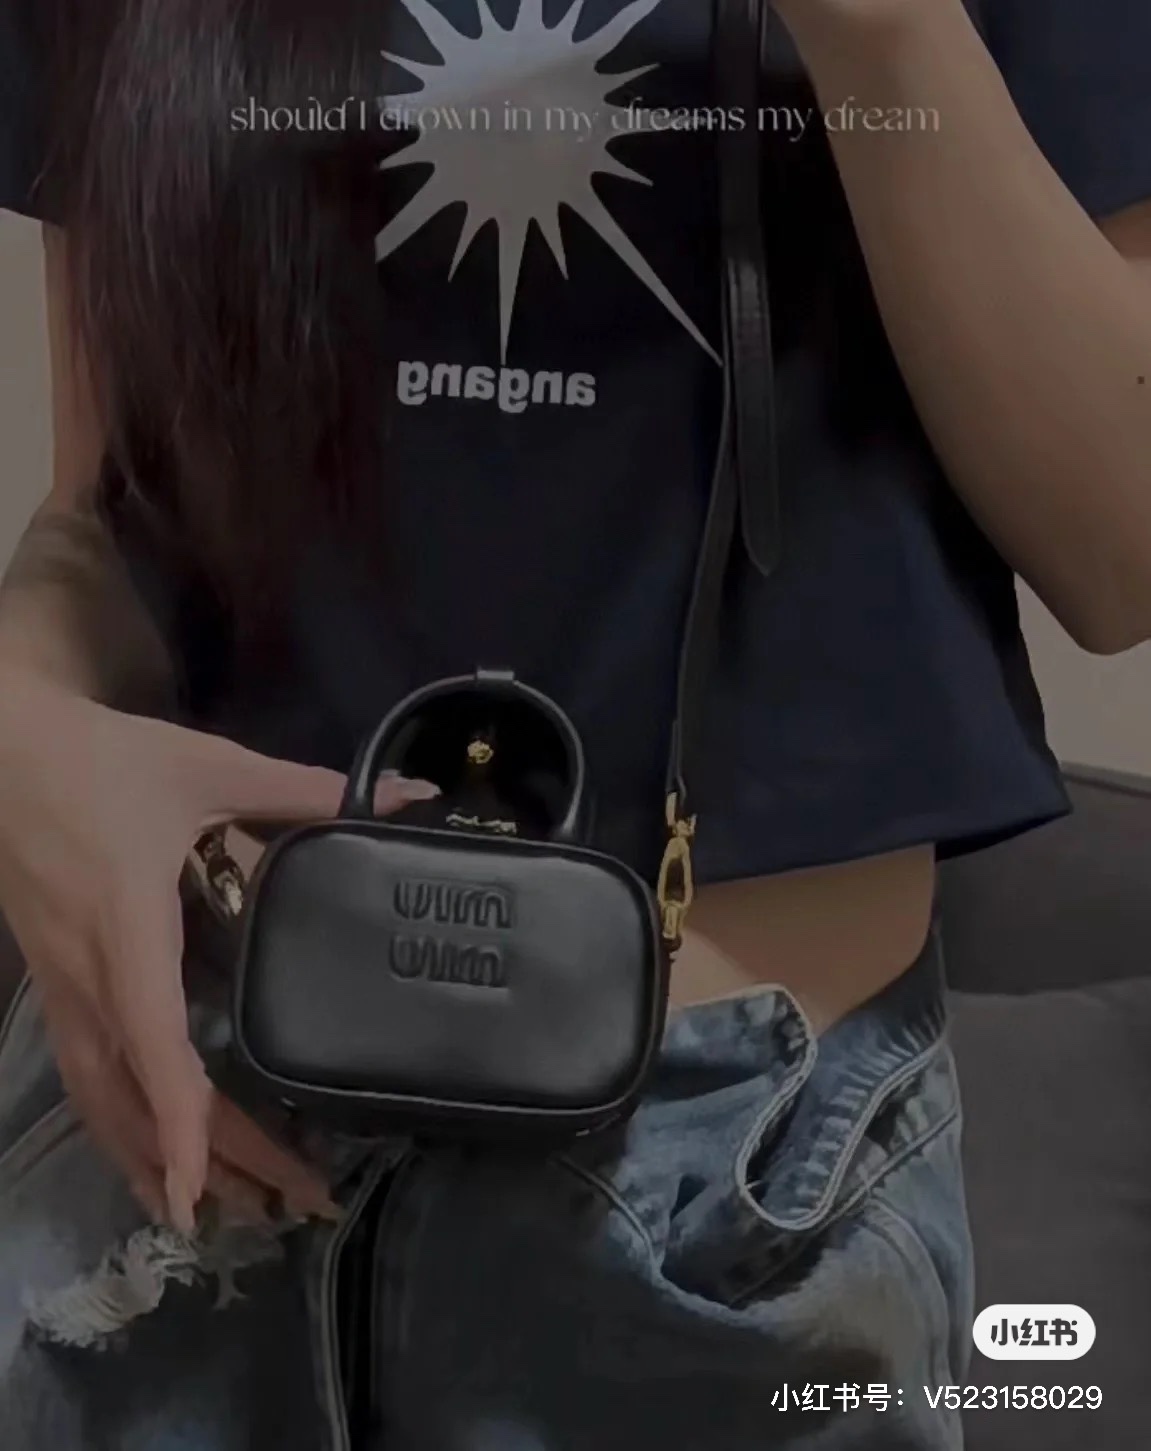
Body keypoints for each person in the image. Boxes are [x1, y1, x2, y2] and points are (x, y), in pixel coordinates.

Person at [0, 0, 1149, 1446]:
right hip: (173, 1121)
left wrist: (886, 31)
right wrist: (21, 725)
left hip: (730, 1195)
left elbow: (1122, 550)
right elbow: (105, 511)